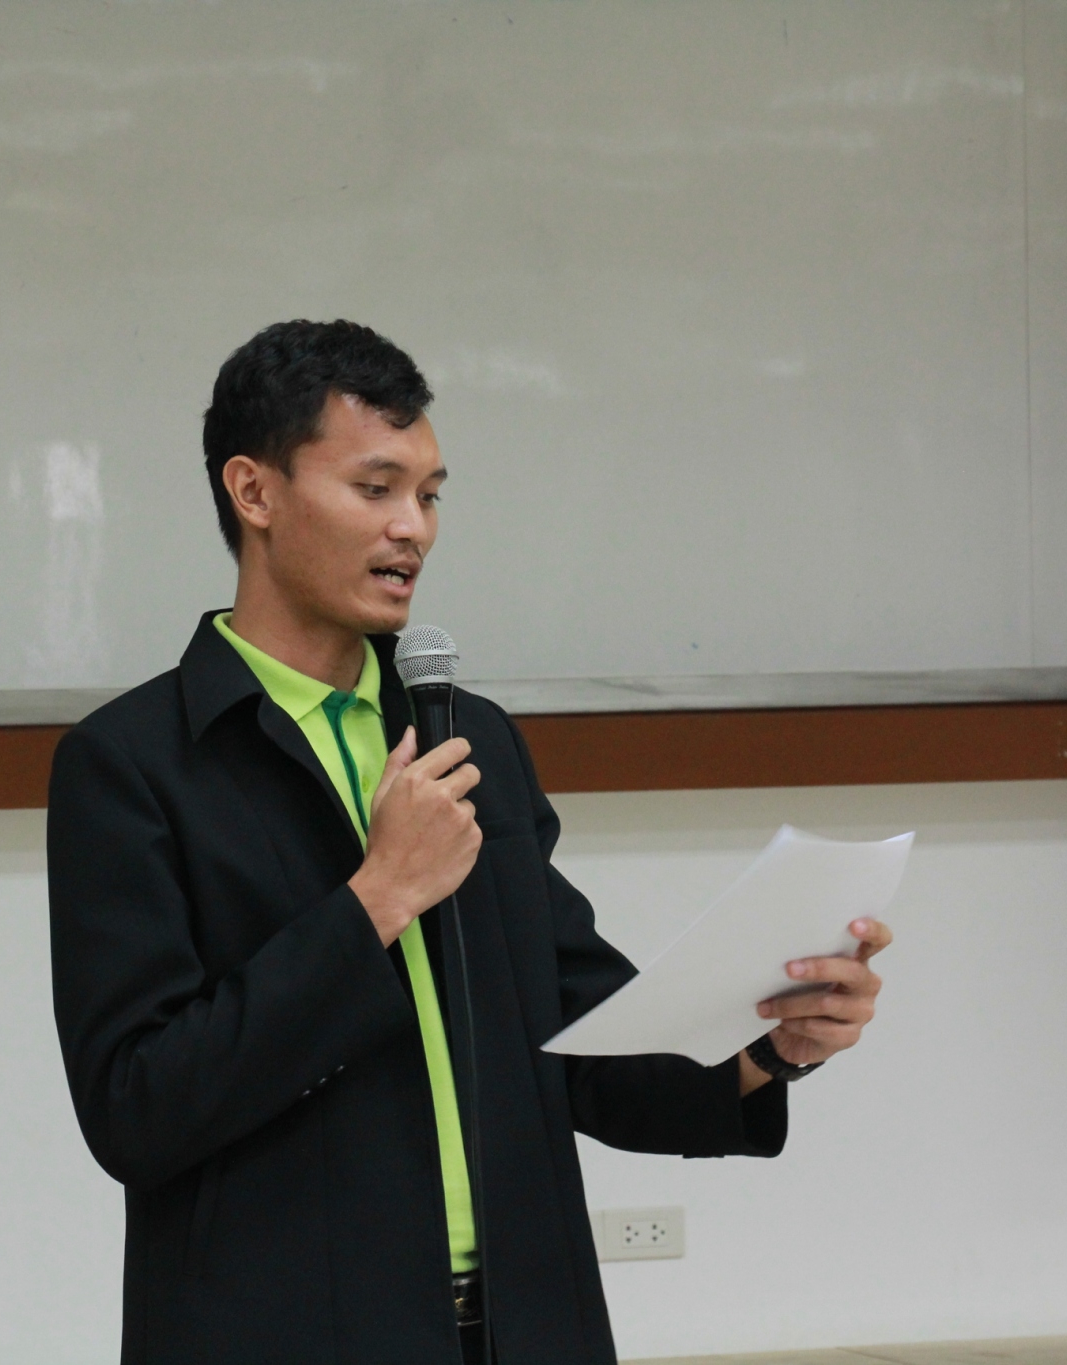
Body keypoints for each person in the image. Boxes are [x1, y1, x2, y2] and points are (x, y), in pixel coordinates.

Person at [48, 320, 893, 1365]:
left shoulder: (465, 737)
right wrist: (374, 902)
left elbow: (580, 1046)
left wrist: (769, 1045)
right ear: (253, 491)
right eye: (375, 488)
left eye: (430, 494)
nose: (413, 528)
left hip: (518, 1328)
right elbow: (137, 1108)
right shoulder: (132, 764)